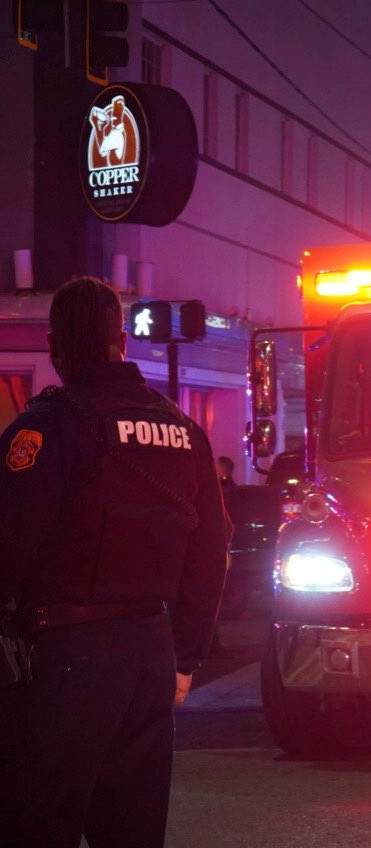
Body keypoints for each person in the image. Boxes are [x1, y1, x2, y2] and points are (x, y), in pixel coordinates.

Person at [0, 278, 231, 848]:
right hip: (150, 653)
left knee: (35, 820)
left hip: (63, 657)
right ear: (121, 341)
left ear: (55, 347)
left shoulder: (47, 429)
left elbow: (8, 543)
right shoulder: (183, 431)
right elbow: (209, 551)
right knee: (132, 827)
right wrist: (186, 655)